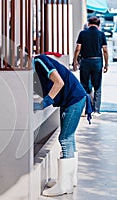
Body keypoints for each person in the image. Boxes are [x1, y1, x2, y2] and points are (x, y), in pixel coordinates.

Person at [33, 54, 92, 197]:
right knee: (69, 138)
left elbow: (59, 82)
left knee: (65, 139)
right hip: (74, 99)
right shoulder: (37, 66)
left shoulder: (40, 61)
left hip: (73, 100)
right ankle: (69, 180)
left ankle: (64, 186)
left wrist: (46, 101)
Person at [73, 16, 109, 116]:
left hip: (85, 61)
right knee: (97, 86)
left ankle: (86, 109)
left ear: (89, 24)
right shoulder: (101, 34)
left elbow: (78, 48)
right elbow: (105, 50)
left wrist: (75, 60)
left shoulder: (83, 33)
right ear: (99, 25)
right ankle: (96, 110)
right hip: (97, 61)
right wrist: (106, 64)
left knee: (84, 85)